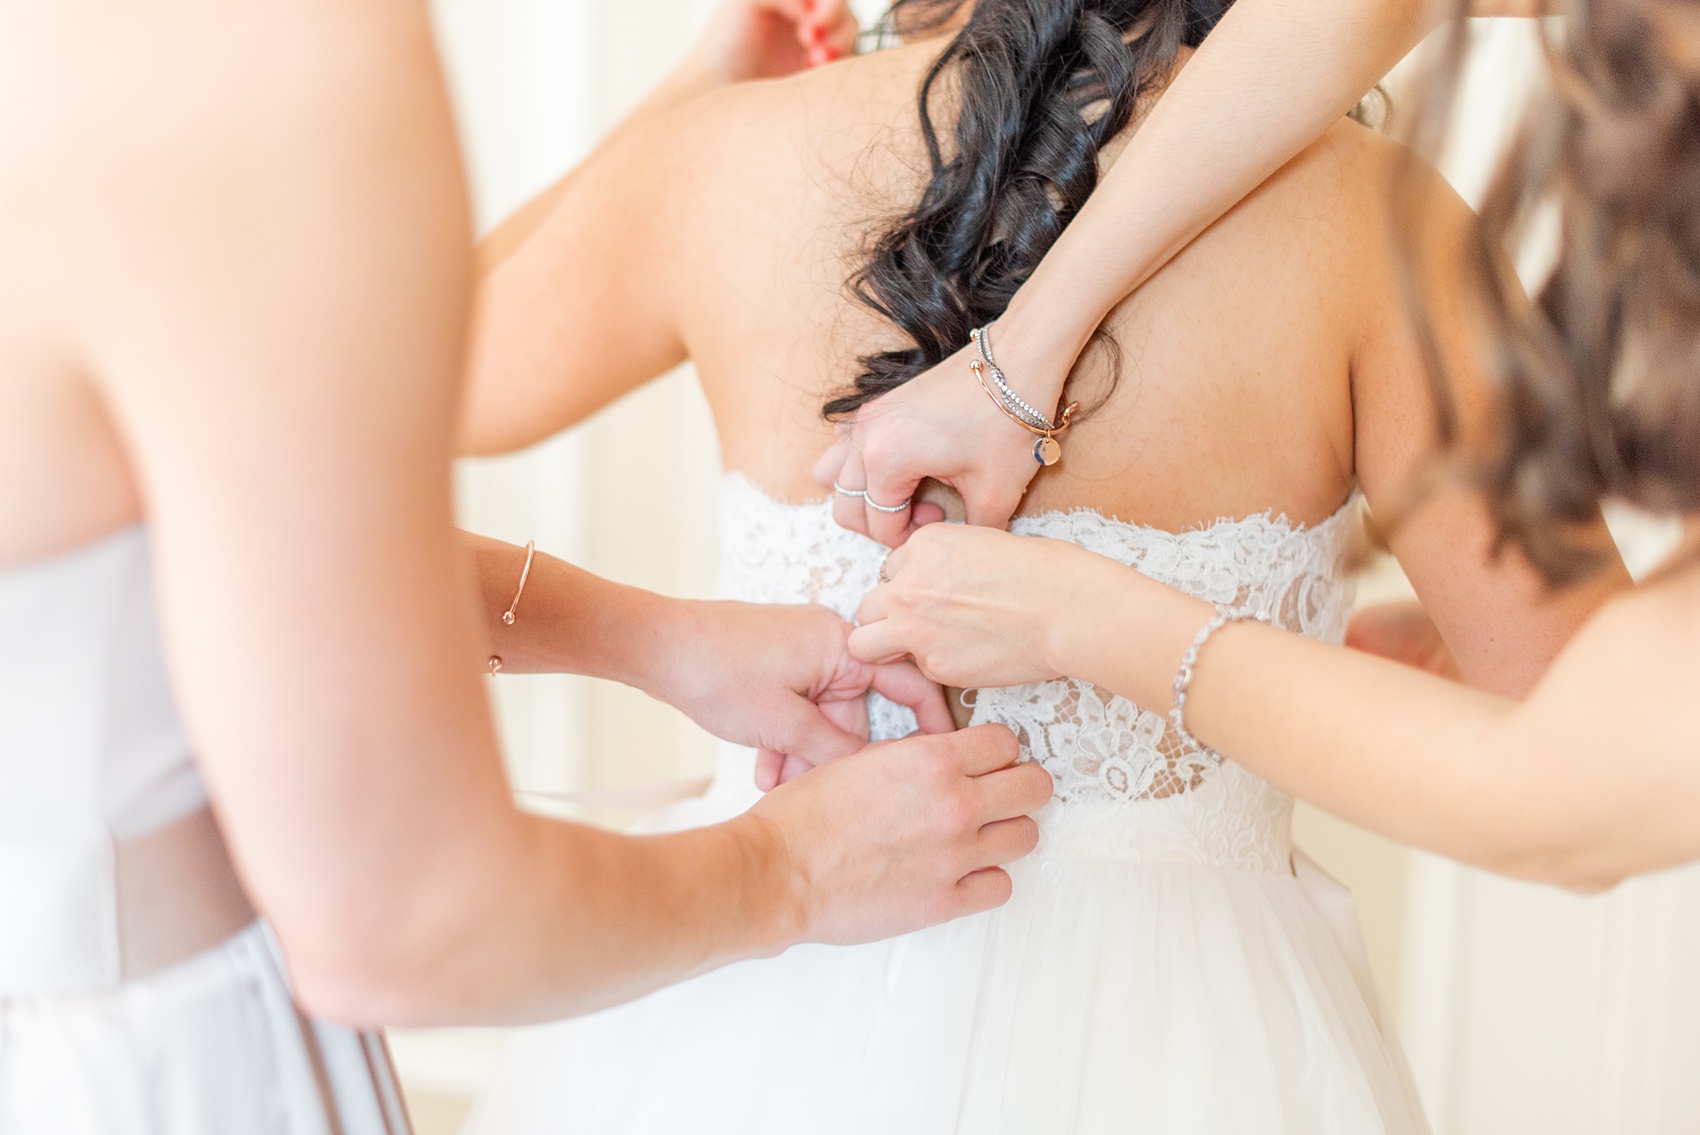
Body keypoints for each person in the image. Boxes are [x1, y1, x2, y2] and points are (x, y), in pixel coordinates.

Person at [453, 0, 1619, 1128]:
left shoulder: (716, 165)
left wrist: (681, 99)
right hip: (1190, 1046)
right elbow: (1588, 742)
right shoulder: (1377, 224)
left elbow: (416, 373)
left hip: (748, 1017)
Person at [0, 1, 1049, 1129]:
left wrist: (650, 637)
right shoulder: (262, 63)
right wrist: (787, 868)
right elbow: (404, 922)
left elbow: (180, 564)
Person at [847, 0, 1700, 892]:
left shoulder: (730, 151)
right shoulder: (1372, 216)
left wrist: (1086, 616)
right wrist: (1019, 359)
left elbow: (1567, 795)